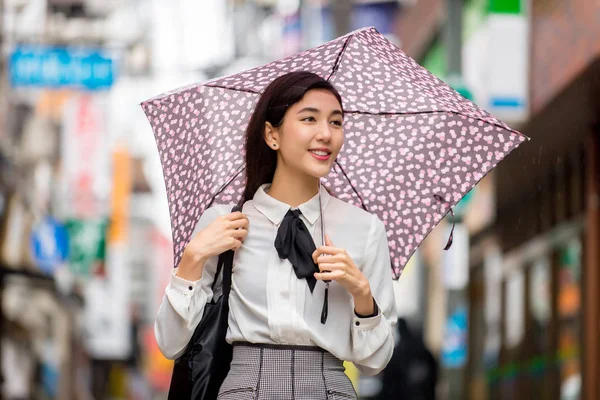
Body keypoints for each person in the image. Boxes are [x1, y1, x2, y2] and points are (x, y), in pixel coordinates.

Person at [155, 71, 397, 399]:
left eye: (336, 122)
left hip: (330, 389)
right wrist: (192, 259)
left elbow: (375, 363)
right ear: (272, 135)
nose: (326, 133)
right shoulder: (225, 223)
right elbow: (171, 344)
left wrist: (361, 293)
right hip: (245, 387)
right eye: (309, 119)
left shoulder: (364, 229)